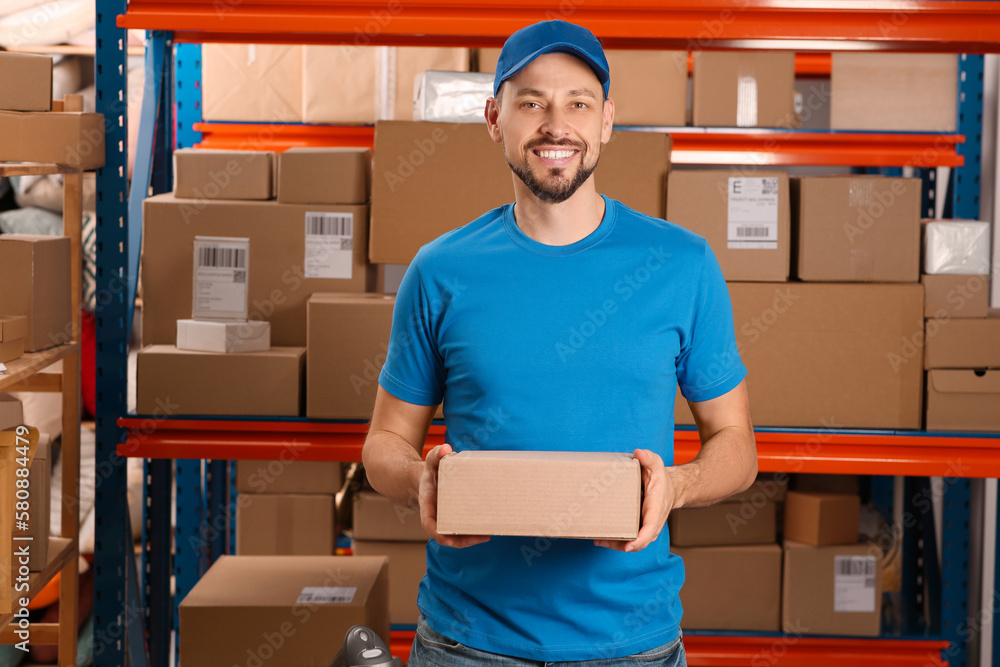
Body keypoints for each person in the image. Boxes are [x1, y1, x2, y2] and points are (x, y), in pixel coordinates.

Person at [362, 19, 757, 666]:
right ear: (494, 118)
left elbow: (737, 447)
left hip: (632, 643)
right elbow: (384, 445)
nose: (555, 124)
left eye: (577, 102)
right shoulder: (439, 271)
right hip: (469, 642)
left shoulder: (681, 264)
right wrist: (419, 479)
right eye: (531, 102)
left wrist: (676, 487)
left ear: (606, 120)